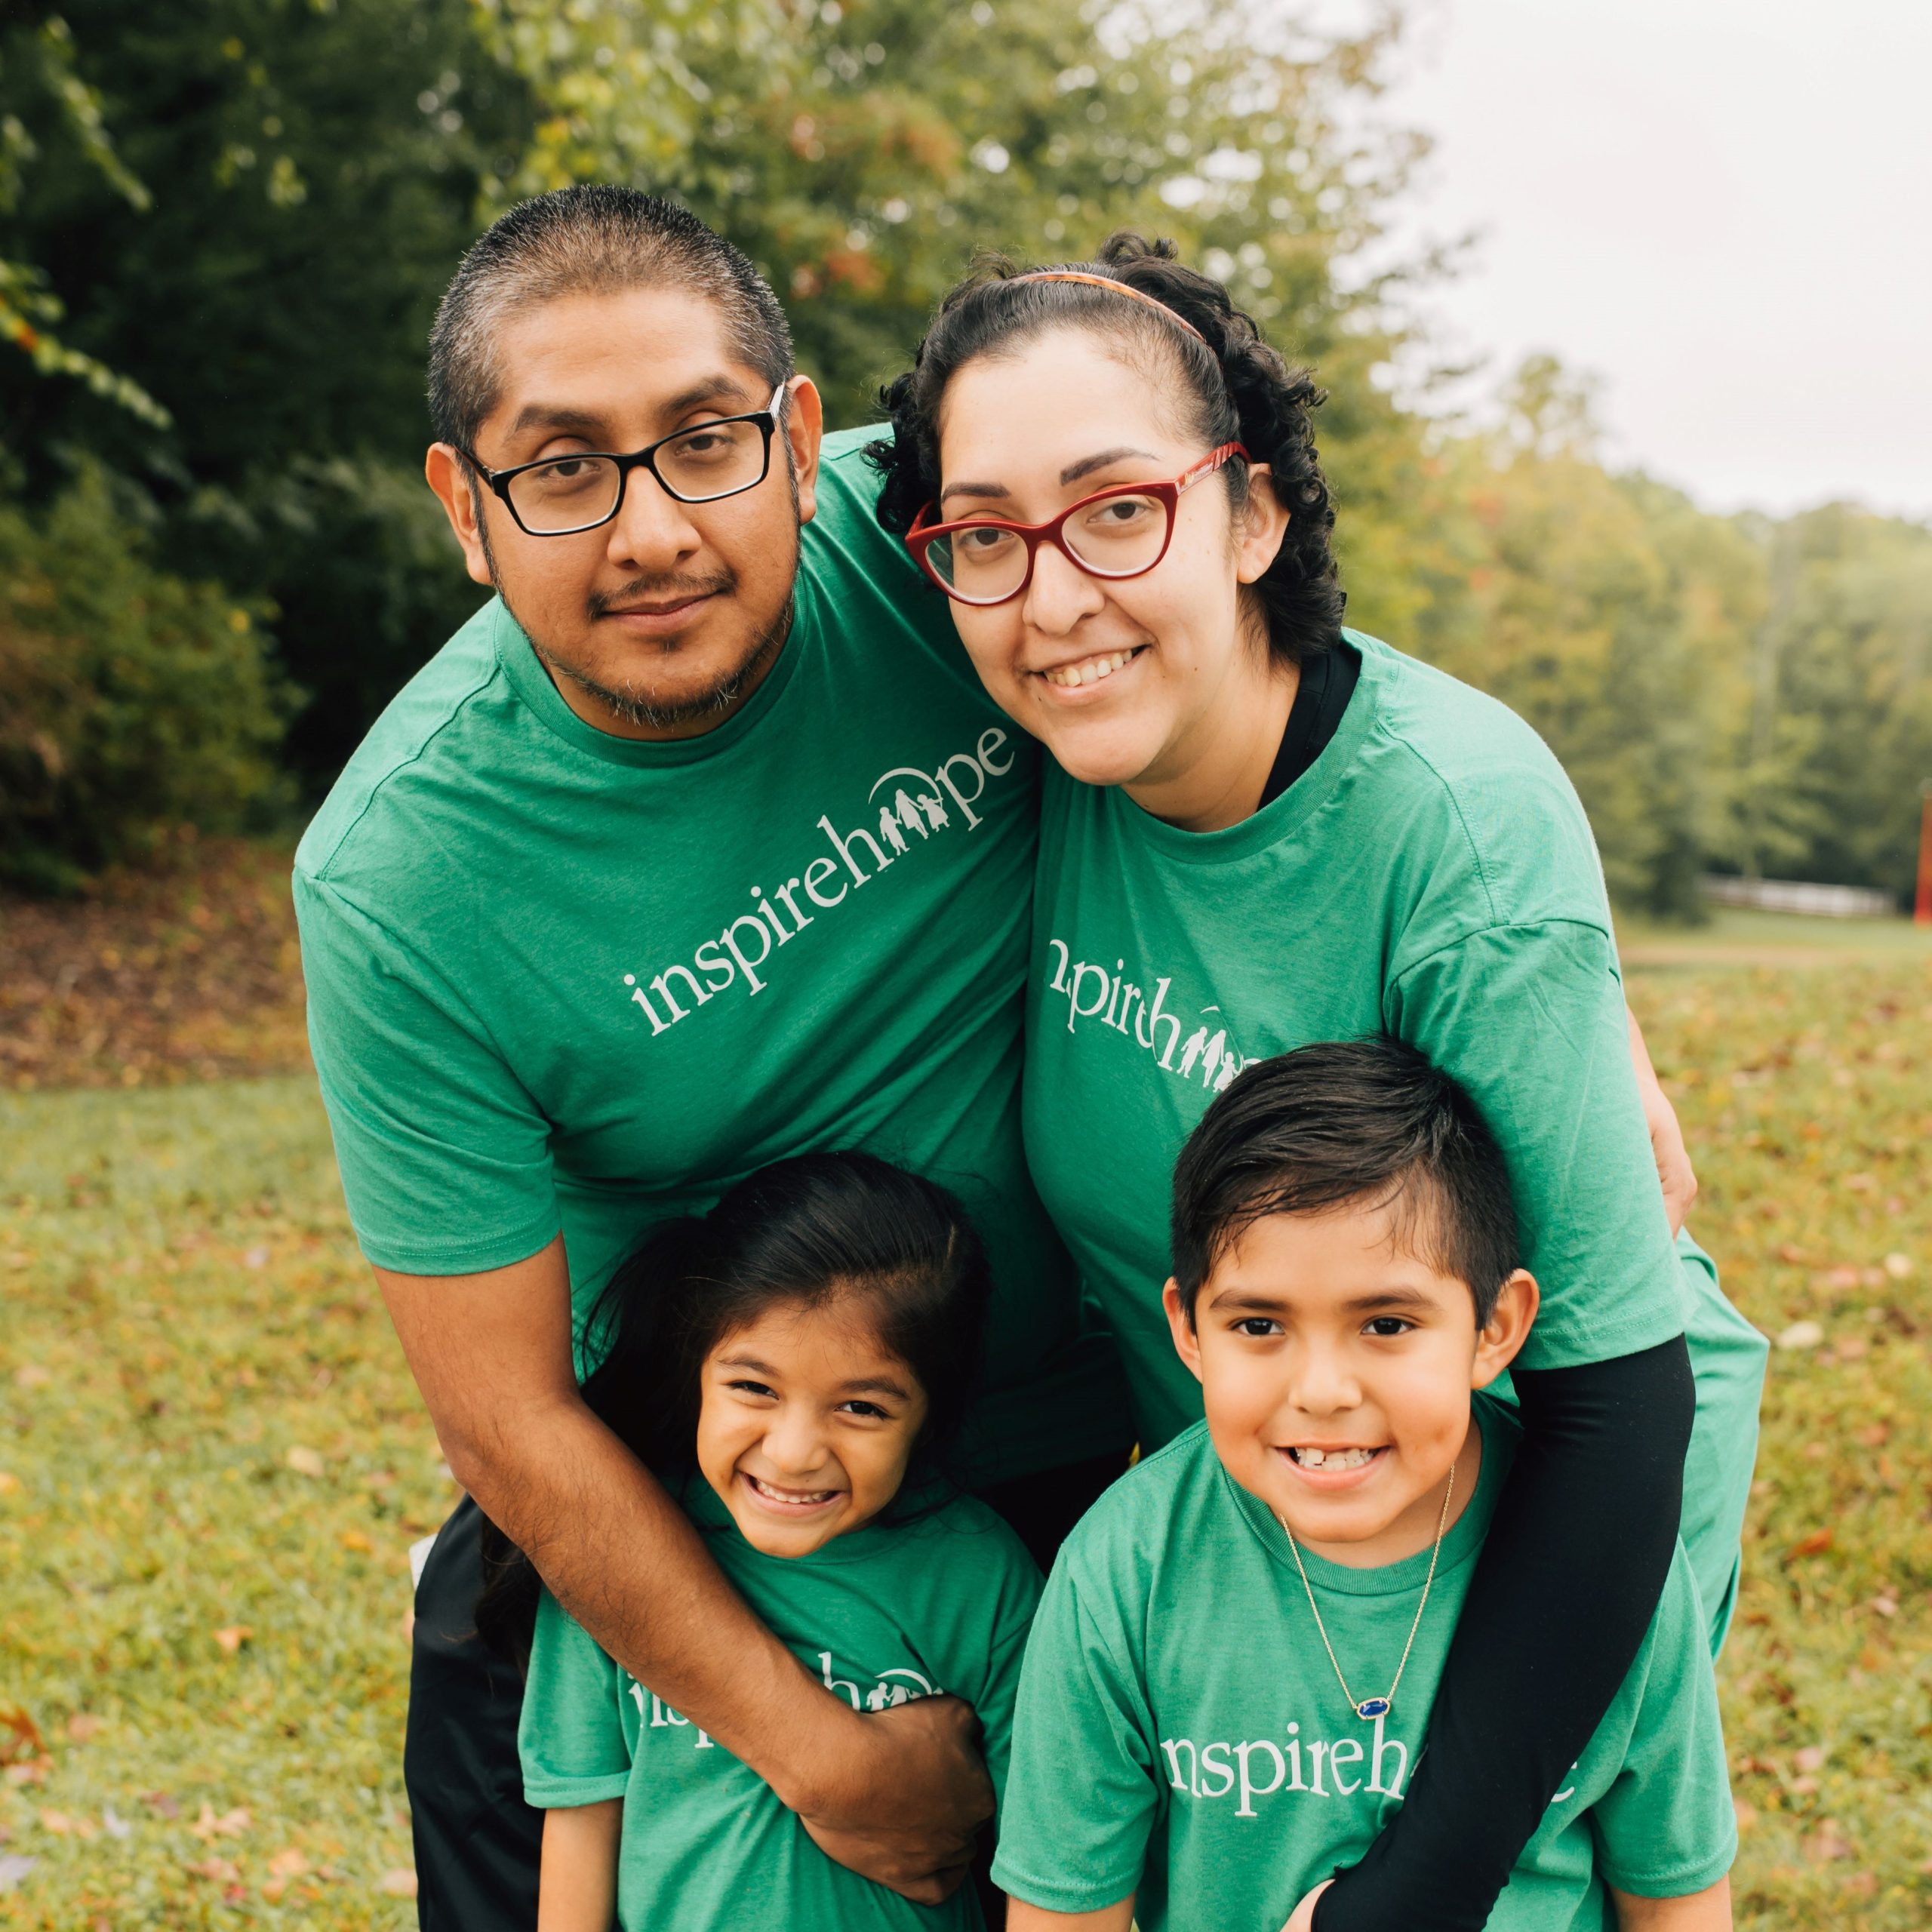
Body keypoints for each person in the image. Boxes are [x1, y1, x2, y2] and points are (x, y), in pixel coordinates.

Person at [868, 235, 1767, 1931]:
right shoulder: (1068, 729)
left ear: (1255, 516)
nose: (1055, 592)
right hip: (1264, 1526)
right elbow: (763, 479)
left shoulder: (1454, 829)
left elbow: (1612, 1404)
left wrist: (1413, 1894)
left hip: (1532, 1526)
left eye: (1119, 506)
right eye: (986, 534)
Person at [292, 185, 1131, 1930]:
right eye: (563, 466)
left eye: (701, 441)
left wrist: (1520, 946)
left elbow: (1238, 620)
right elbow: (505, 1410)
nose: (649, 525)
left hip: (1039, 1472)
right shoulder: (404, 877)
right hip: (662, 1533)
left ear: (801, 432)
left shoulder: (950, 539)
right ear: (466, 506)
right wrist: (814, 1748)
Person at [994, 1040, 1737, 1932]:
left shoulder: (1602, 1557)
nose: (1321, 1390)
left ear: (1494, 1327)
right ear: (1188, 1332)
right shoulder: (1126, 1570)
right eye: (1259, 1323)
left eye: (1385, 1323)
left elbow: (1675, 1897)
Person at [495, 1152, 1040, 1932]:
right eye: (754, 1387)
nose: (791, 1452)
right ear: (697, 1369)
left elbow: (1049, 1848)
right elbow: (583, 1819)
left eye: (860, 1407)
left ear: (930, 1416)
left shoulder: (977, 1577)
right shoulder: (617, 1550)